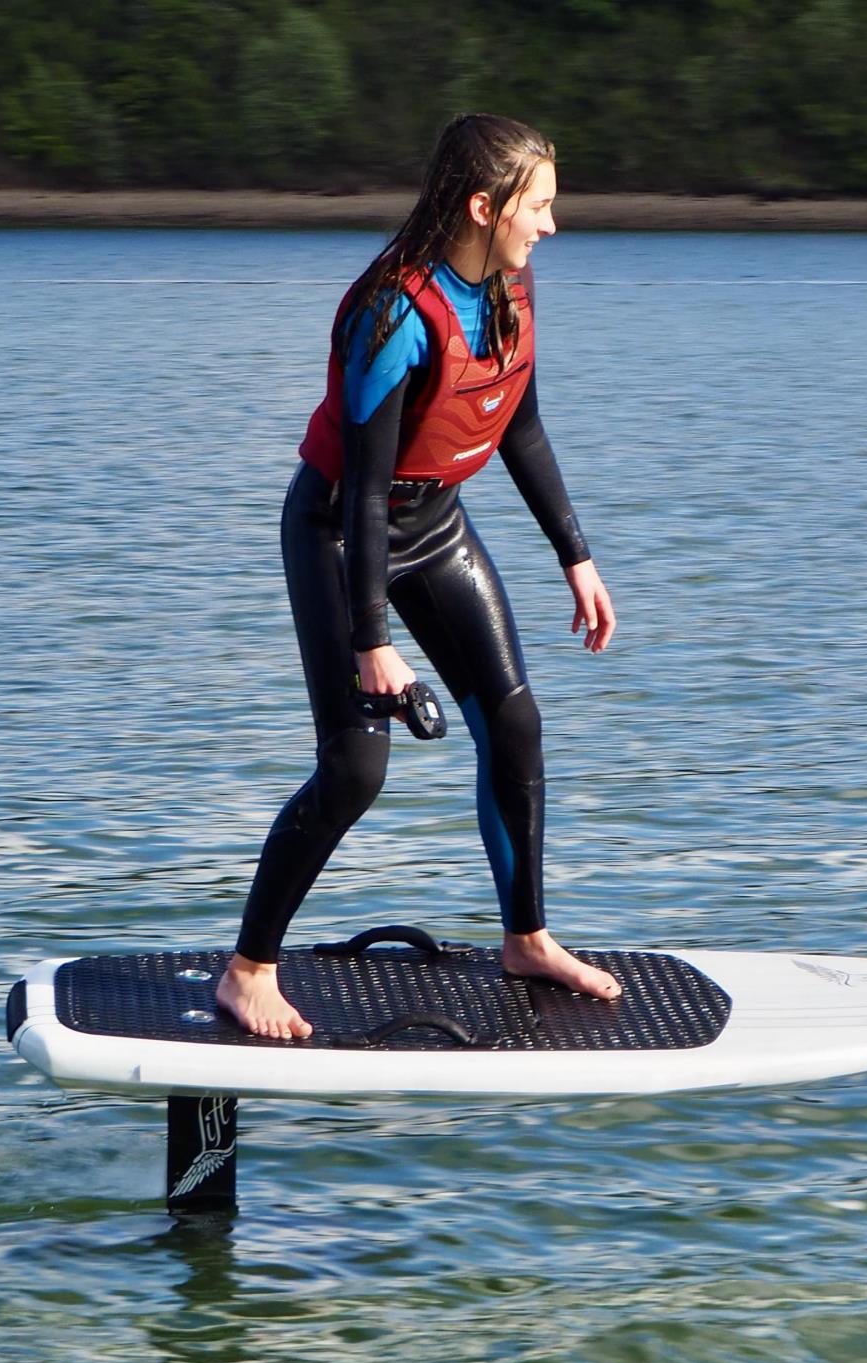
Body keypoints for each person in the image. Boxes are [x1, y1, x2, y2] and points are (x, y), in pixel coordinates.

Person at [217, 113, 621, 1039]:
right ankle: (248, 970)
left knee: (514, 722)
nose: (552, 227)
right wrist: (373, 644)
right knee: (357, 766)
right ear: (485, 206)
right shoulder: (392, 311)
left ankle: (527, 935)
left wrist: (576, 555)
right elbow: (360, 494)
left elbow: (518, 423)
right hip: (337, 532)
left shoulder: (509, 287)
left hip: (434, 526)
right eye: (542, 206)